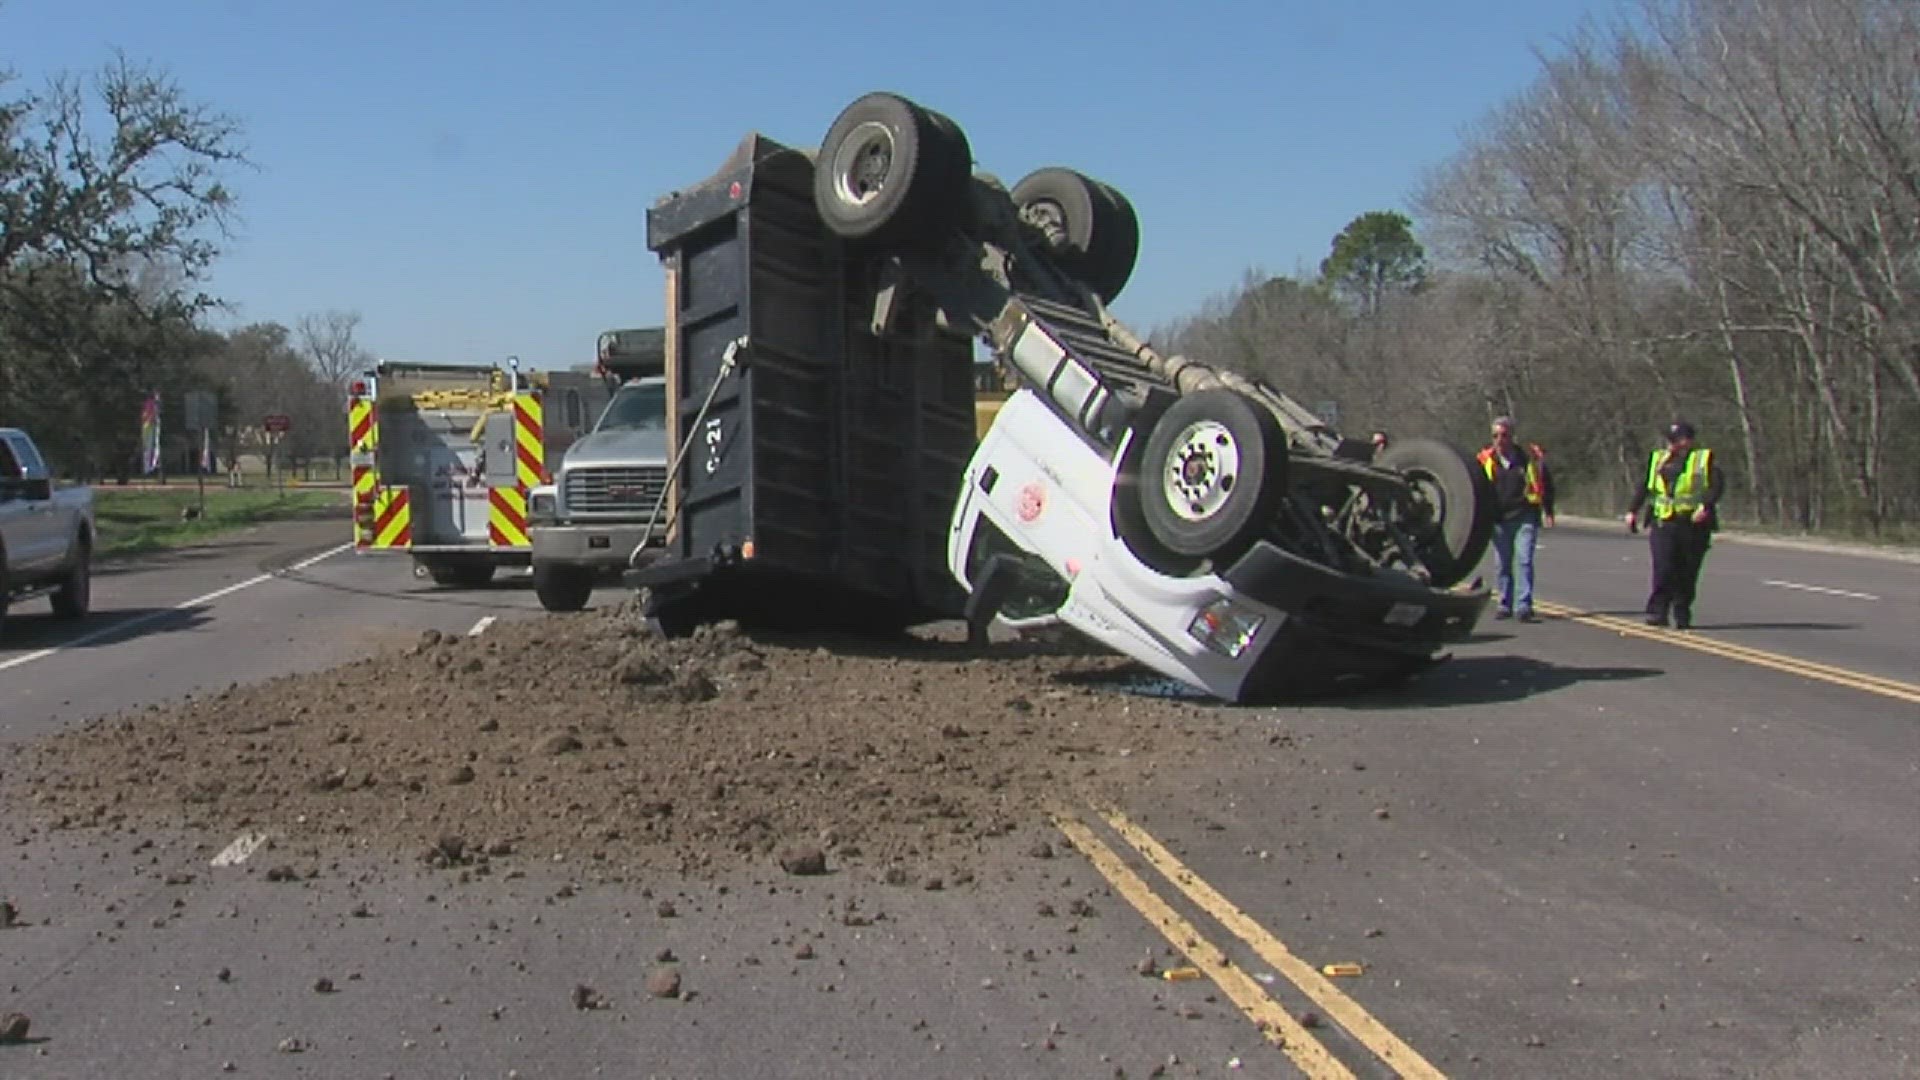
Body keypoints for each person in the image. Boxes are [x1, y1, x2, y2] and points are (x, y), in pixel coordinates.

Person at [1625, 420, 1723, 629]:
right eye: (1671, 440)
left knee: (1687, 571)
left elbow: (1716, 486)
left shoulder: (1703, 459)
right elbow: (1645, 486)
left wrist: (1705, 506)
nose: (1674, 444)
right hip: (1663, 521)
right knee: (1663, 567)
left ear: (1688, 440)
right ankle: (1657, 611)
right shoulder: (1658, 459)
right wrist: (1632, 510)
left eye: (1679, 439)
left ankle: (1682, 611)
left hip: (1693, 524)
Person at [1476, 416, 1555, 621]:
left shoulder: (1527, 459)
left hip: (1524, 516)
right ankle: (1504, 603)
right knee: (1502, 563)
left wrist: (1548, 511)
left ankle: (1523, 605)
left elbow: (1545, 484)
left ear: (1512, 436)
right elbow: (1475, 489)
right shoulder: (1485, 461)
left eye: (1504, 435)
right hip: (1499, 518)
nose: (1499, 440)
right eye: (1495, 436)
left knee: (1524, 560)